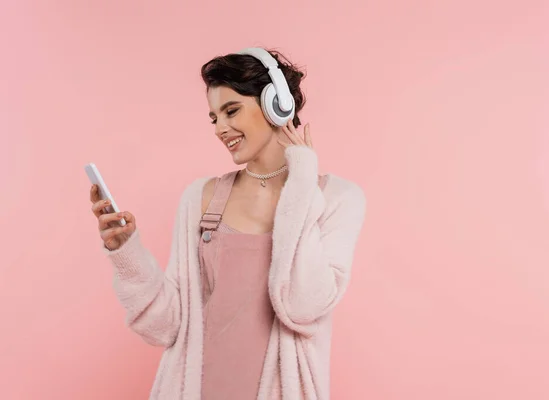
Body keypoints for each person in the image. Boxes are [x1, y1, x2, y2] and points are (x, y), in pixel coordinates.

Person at [89, 47, 366, 400]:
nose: (221, 128)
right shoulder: (201, 198)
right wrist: (125, 252)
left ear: (275, 104)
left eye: (231, 110)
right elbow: (167, 324)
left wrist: (301, 183)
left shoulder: (337, 198)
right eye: (214, 117)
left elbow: (303, 306)